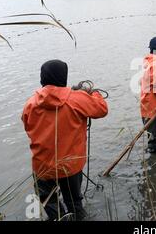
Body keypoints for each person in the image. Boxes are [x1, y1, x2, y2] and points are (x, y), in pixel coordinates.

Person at [22, 59, 108, 221]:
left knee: (48, 200)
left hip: (42, 165)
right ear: (64, 77)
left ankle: (60, 218)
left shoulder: (30, 104)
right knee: (74, 200)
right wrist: (92, 93)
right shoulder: (77, 98)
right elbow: (102, 109)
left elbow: (28, 128)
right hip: (71, 165)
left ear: (42, 78)